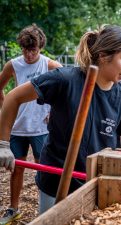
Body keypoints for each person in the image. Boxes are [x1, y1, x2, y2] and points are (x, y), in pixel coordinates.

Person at [0, 25, 121, 214]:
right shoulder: (65, 80)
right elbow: (13, 97)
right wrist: (3, 143)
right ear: (103, 55)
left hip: (95, 182)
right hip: (56, 180)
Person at [0, 24, 62, 224]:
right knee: (16, 167)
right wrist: (5, 108)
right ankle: (13, 208)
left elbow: (66, 90)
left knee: (44, 169)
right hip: (18, 126)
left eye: (32, 50)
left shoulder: (50, 65)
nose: (28, 55)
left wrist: (53, 111)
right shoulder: (13, 65)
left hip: (40, 128)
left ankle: (45, 212)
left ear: (40, 47)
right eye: (25, 50)